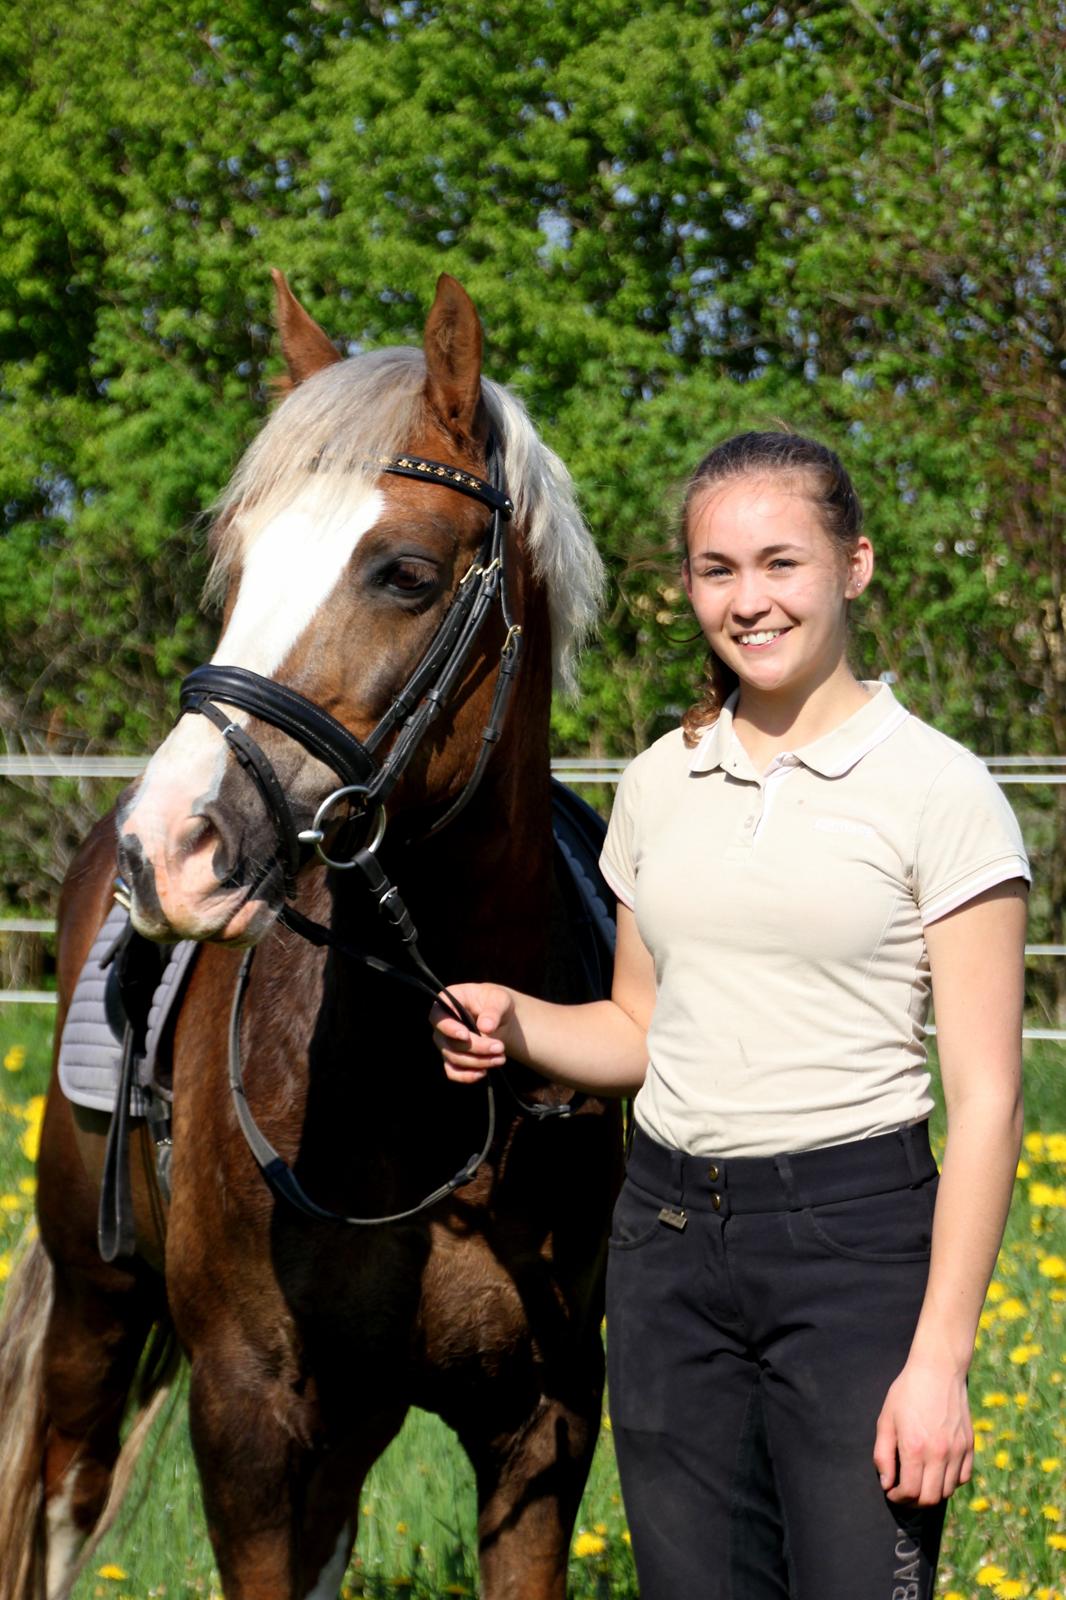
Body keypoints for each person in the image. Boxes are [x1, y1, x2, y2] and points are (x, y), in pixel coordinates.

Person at [432, 430, 1029, 1598]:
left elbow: (992, 1099)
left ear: (852, 565)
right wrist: (519, 1022)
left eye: (779, 563)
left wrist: (939, 1360)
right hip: (665, 1250)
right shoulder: (659, 781)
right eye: (717, 569)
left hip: (854, 1255)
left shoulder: (939, 791)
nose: (748, 601)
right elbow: (637, 1033)